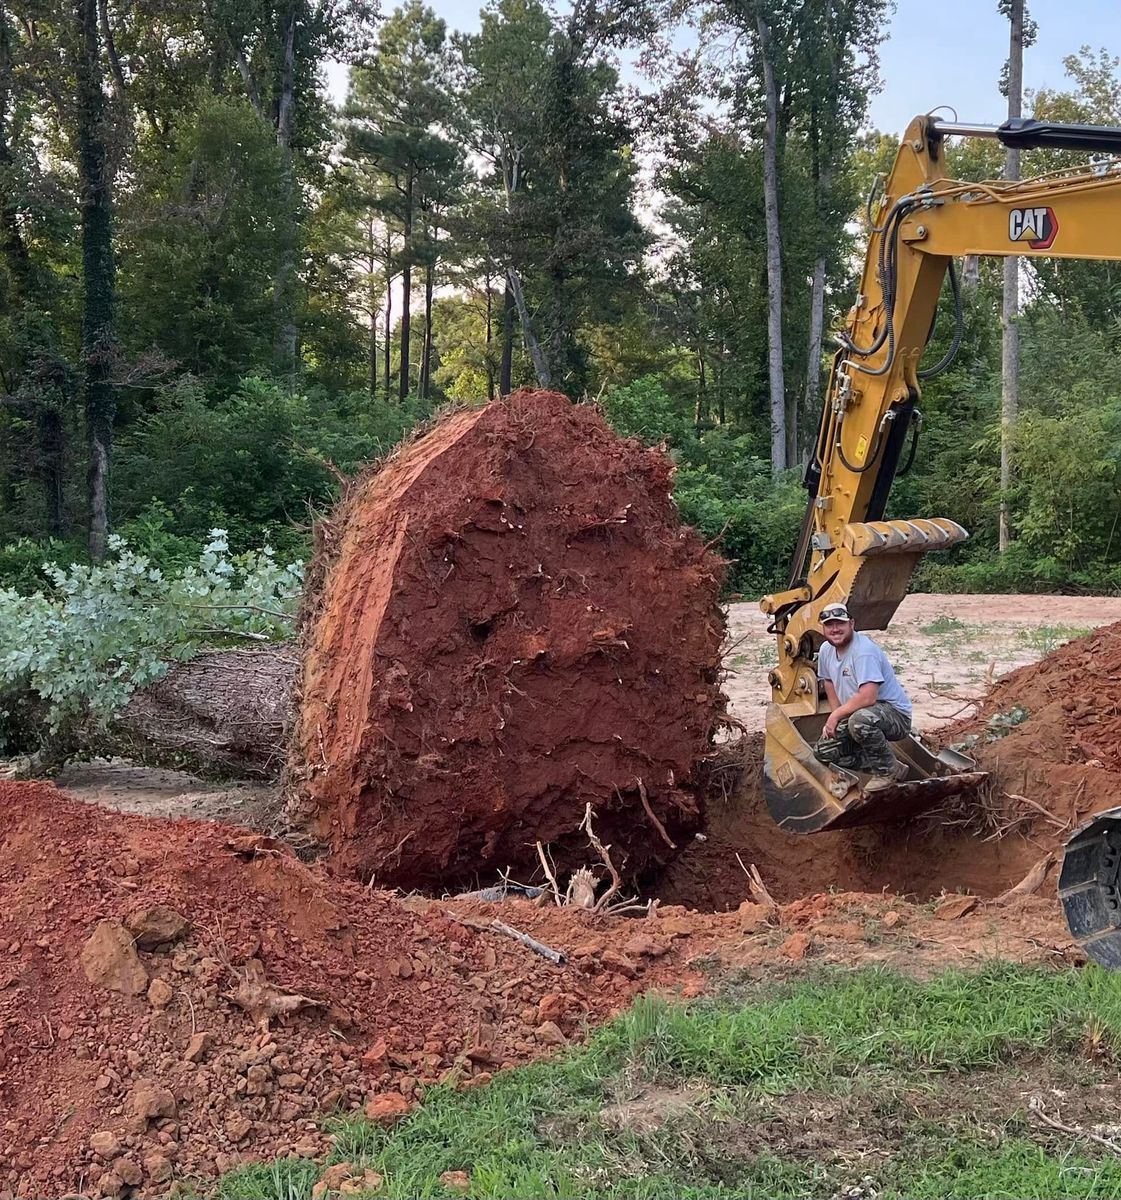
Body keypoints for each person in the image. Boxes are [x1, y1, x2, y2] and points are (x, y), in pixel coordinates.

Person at [813, 602, 912, 789]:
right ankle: (891, 765)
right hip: (861, 713)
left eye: (839, 624)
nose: (835, 629)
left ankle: (886, 772)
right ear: (823, 628)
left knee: (859, 722)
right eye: (829, 625)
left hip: (895, 715)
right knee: (824, 752)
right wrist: (838, 715)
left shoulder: (863, 652)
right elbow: (829, 682)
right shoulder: (826, 650)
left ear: (851, 623)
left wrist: (834, 716)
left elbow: (868, 697)